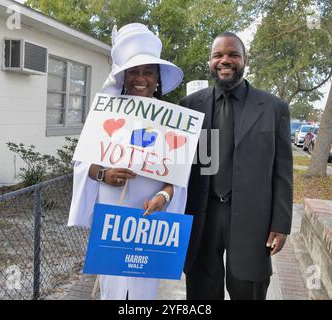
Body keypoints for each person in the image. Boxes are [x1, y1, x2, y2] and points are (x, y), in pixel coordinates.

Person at [68, 23, 186, 300]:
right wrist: (104, 175)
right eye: (134, 71)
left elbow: (178, 179)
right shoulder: (104, 113)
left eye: (148, 72)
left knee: (145, 286)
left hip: (152, 216)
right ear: (123, 76)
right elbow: (84, 164)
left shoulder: (175, 121)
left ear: (158, 78)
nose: (141, 78)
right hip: (113, 214)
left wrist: (163, 196)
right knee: (113, 285)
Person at [180, 32, 293, 300]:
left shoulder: (273, 108)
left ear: (244, 60)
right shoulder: (190, 107)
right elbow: (181, 166)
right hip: (203, 216)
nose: (225, 60)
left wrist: (281, 223)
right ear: (210, 61)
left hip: (253, 218)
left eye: (233, 54)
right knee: (202, 291)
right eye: (218, 55)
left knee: (249, 290)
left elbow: (283, 172)